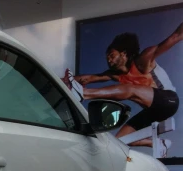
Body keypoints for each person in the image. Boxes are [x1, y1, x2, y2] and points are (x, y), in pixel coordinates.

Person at [63, 22, 182, 154]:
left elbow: (176, 36)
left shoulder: (143, 59)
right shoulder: (115, 75)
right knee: (119, 140)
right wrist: (62, 81)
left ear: (124, 54)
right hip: (153, 112)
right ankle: (158, 143)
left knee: (130, 89)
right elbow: (89, 78)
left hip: (168, 100)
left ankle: (83, 94)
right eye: (107, 57)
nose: (108, 59)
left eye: (112, 55)